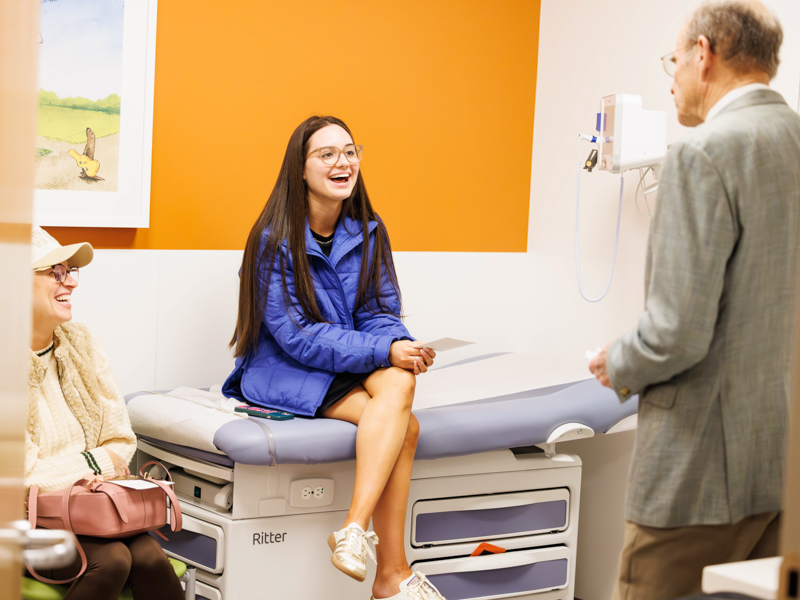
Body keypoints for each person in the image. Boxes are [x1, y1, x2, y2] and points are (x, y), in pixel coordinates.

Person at [588, 1, 800, 598]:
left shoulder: (703, 153)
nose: (672, 76)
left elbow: (676, 332)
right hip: (782, 464)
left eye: (674, 61)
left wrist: (617, 360)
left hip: (701, 469)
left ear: (703, 55)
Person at [223, 115, 446, 600]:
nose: (343, 162)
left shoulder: (368, 230)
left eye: (350, 151)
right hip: (286, 368)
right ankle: (390, 572)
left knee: (401, 383)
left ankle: (357, 537)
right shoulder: (272, 239)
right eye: (326, 154)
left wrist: (397, 348)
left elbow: (379, 309)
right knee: (404, 428)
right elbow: (296, 335)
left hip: (342, 361)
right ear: (300, 170)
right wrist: (379, 350)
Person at [26, 226, 184, 600]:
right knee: (112, 560)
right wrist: (97, 467)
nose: (71, 283)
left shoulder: (81, 343)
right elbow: (23, 477)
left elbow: (121, 440)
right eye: (55, 272)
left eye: (70, 271)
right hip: (24, 521)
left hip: (89, 509)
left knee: (149, 557)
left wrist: (78, 473)